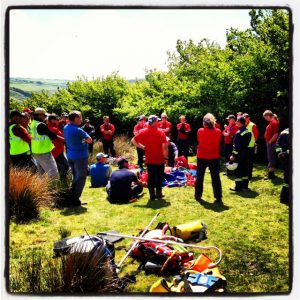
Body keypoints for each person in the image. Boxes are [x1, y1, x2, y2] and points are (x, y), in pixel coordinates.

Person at [131, 115, 168, 200]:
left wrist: (142, 147)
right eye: (157, 121)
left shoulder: (143, 131)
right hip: (159, 158)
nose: (159, 122)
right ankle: (158, 193)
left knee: (151, 177)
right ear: (155, 122)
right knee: (159, 176)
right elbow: (165, 147)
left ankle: (152, 194)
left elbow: (133, 140)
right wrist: (165, 158)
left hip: (149, 158)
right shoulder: (160, 132)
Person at [64, 110, 93, 206]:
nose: (81, 119)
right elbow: (89, 140)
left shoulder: (66, 127)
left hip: (70, 156)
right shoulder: (78, 130)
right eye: (80, 117)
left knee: (75, 177)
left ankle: (72, 198)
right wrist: (84, 140)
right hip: (80, 157)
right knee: (80, 178)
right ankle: (75, 200)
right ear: (75, 118)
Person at [194, 113, 223, 204]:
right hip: (214, 156)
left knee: (199, 176)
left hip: (202, 156)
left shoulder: (200, 131)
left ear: (204, 123)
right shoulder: (218, 131)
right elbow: (219, 142)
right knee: (215, 177)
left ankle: (198, 195)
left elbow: (199, 140)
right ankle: (218, 196)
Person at [29, 108, 60, 179]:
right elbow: (53, 136)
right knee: (54, 174)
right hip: (44, 152)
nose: (45, 117)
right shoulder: (41, 125)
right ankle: (53, 189)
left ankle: (42, 189)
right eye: (44, 115)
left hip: (36, 152)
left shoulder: (33, 124)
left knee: (41, 174)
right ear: (40, 115)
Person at [229, 116, 252, 191]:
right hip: (246, 153)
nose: (236, 123)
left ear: (239, 122)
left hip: (239, 155)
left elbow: (236, 147)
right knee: (245, 169)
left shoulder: (238, 133)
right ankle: (245, 186)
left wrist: (233, 155)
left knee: (238, 170)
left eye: (237, 121)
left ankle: (238, 187)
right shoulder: (248, 132)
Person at [47, 114, 69, 180]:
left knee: (60, 167)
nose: (58, 121)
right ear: (52, 120)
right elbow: (62, 138)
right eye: (57, 120)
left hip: (55, 151)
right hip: (57, 152)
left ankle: (62, 183)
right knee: (65, 167)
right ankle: (63, 184)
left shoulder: (49, 127)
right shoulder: (53, 129)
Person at [263, 110, 280, 179]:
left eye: (265, 117)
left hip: (272, 143)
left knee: (271, 157)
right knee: (270, 157)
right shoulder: (272, 122)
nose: (265, 119)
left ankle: (271, 175)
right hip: (269, 142)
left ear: (268, 116)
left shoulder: (274, 123)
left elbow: (276, 134)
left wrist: (270, 141)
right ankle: (270, 172)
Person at [275, 128, 289, 204]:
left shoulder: (285, 132)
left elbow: (277, 145)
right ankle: (284, 198)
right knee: (288, 179)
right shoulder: (285, 133)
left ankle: (284, 198)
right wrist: (281, 155)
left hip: (285, 158)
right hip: (287, 158)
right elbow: (278, 145)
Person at [243, 113, 259, 179]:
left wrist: (254, 142)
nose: (244, 120)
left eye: (245, 118)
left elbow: (256, 136)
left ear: (248, 118)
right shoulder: (243, 124)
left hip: (250, 146)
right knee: (244, 161)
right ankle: (245, 173)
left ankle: (249, 174)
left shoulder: (252, 125)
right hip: (244, 146)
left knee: (250, 161)